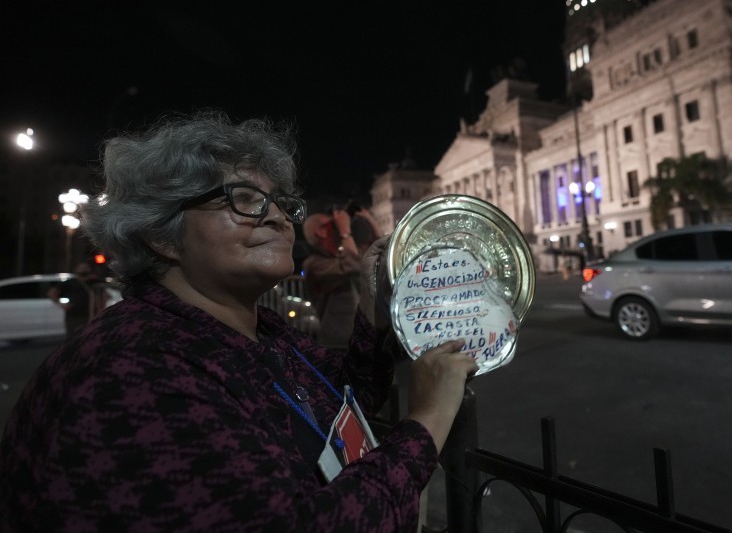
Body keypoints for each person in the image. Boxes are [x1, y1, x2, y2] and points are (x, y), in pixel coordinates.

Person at [0, 110, 478, 532]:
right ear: (161, 234)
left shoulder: (257, 329)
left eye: (282, 204)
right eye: (245, 199)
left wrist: (374, 307)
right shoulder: (131, 370)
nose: (279, 218)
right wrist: (428, 419)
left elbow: (339, 401)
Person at [302, 208, 363, 349]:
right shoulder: (314, 265)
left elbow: (377, 249)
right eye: (334, 225)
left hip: (355, 339)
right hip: (338, 344)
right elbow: (353, 265)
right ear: (321, 231)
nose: (338, 228)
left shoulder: (338, 258)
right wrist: (345, 231)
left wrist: (367, 217)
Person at [46, 261, 94, 336]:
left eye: (85, 268)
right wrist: (62, 304)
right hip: (73, 315)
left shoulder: (94, 283)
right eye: (81, 268)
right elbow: (52, 293)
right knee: (73, 336)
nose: (83, 270)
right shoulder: (69, 282)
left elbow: (104, 294)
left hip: (90, 314)